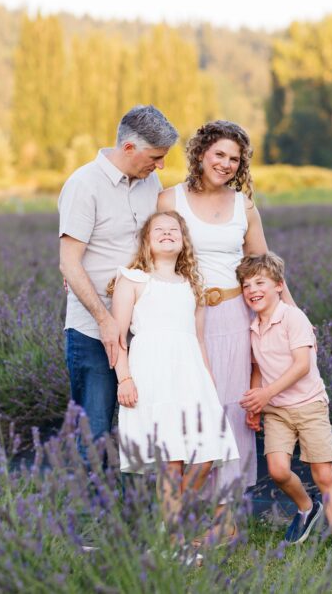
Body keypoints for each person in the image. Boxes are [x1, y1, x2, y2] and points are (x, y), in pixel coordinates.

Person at [157, 120, 293, 496]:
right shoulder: (170, 200)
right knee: (193, 408)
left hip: (235, 317)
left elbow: (263, 264)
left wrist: (292, 315)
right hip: (186, 319)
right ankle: (184, 506)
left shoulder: (243, 204)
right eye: (219, 154)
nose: (226, 163)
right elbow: (152, 257)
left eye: (235, 158)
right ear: (200, 153)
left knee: (233, 410)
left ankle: (226, 509)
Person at [111, 211, 239, 531]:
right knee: (171, 462)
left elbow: (198, 339)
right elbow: (116, 336)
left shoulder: (192, 285)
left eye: (174, 230)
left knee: (206, 453)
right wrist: (123, 378)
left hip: (190, 373)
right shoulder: (133, 279)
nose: (167, 233)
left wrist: (207, 382)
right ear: (146, 241)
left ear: (183, 242)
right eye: (159, 230)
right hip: (152, 373)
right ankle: (173, 542)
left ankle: (168, 524)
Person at [58, 105, 178, 443]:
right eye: (155, 156)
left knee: (143, 428)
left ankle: (134, 497)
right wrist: (105, 320)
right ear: (128, 148)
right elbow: (69, 262)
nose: (161, 165)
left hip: (143, 326)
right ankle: (92, 497)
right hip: (93, 331)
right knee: (94, 431)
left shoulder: (149, 180)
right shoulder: (83, 185)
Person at [237, 252, 332, 556]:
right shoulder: (252, 327)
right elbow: (257, 369)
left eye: (259, 282)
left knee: (324, 474)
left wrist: (266, 394)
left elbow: (302, 365)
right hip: (276, 410)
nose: (252, 290)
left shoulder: (293, 317)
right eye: (246, 285)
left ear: (279, 285)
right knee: (277, 471)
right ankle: (306, 506)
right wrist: (255, 404)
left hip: (309, 404)